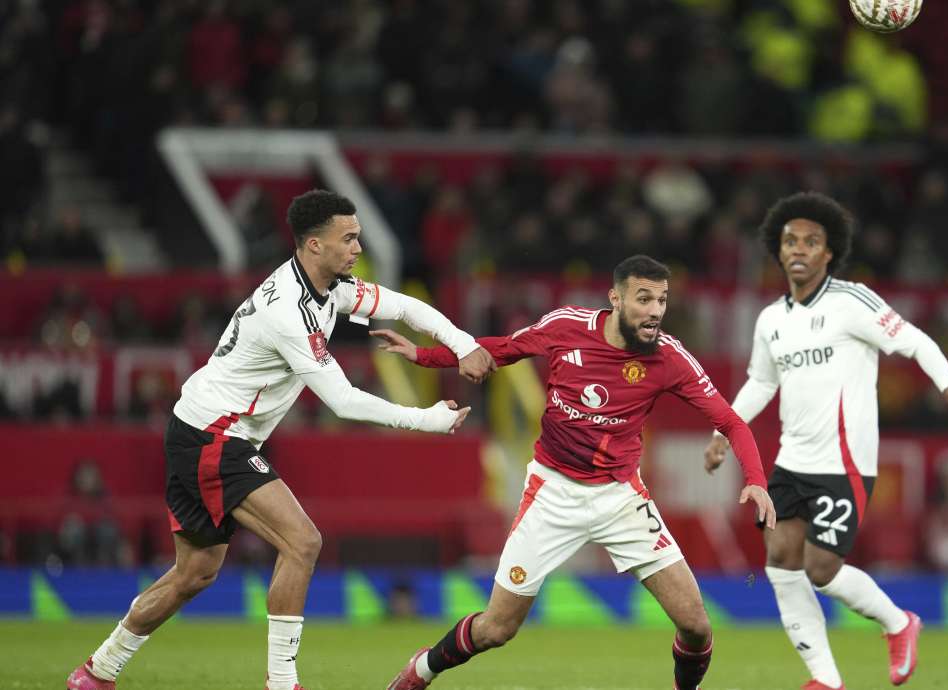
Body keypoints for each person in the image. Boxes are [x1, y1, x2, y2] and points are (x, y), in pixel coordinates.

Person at [67, 190, 497, 690]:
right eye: (349, 237)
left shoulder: (331, 288)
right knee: (303, 540)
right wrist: (426, 421)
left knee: (194, 574)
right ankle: (281, 683)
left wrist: (464, 344)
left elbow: (401, 306)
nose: (358, 246)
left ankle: (96, 672)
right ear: (314, 245)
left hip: (201, 430)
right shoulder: (288, 312)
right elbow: (343, 400)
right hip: (214, 434)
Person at [372, 254, 776, 690]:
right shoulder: (567, 326)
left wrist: (756, 480)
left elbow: (731, 422)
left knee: (696, 625)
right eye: (644, 299)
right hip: (552, 492)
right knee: (496, 629)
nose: (656, 310)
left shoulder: (668, 358)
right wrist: (423, 355)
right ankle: (422, 669)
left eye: (662, 300)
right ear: (615, 299)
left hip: (621, 498)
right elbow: (504, 349)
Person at [703, 192, 948, 690]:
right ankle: (827, 680)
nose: (798, 249)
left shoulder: (851, 302)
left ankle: (900, 623)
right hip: (791, 462)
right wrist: (723, 432)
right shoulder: (771, 319)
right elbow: (762, 382)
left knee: (821, 567)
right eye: (790, 240)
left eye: (811, 242)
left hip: (844, 462)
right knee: (779, 562)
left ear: (829, 252)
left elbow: (917, 340)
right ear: (778, 248)